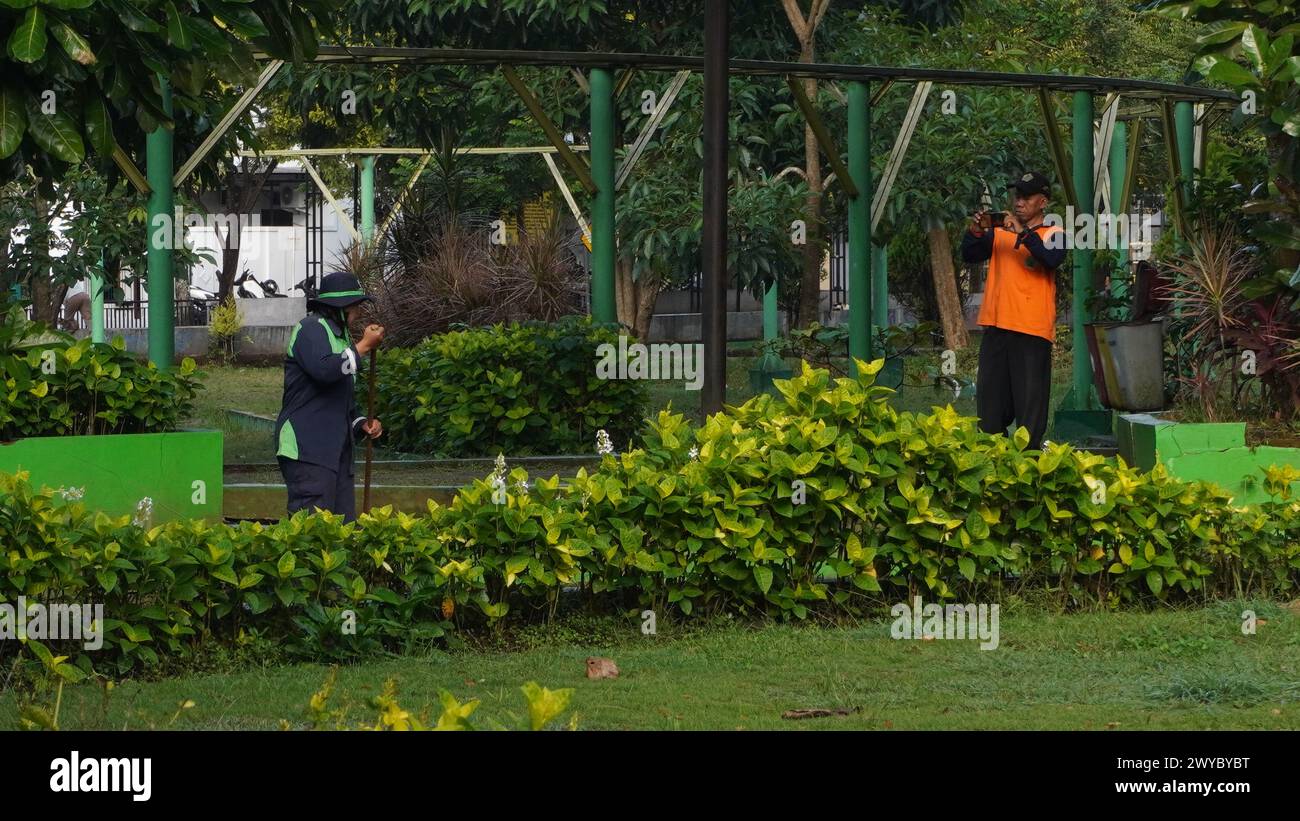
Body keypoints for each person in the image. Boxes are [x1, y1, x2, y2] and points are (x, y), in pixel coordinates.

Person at [960, 171, 1067, 450]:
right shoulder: (999, 233)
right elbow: (969, 254)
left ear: (1042, 202)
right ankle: (993, 468)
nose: (1018, 202)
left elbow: (1051, 258)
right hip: (996, 329)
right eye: (1016, 196)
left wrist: (1023, 234)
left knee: (1029, 414)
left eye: (1026, 197)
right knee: (989, 411)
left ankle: (1029, 471)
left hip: (1032, 333)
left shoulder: (1055, 233)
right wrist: (977, 231)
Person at [273, 271, 384, 522]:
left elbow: (340, 396)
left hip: (336, 452)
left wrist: (361, 424)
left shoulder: (340, 337)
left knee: (343, 528)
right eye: (355, 306)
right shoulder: (310, 329)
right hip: (307, 450)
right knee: (313, 532)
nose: (358, 312)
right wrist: (363, 346)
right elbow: (325, 371)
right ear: (342, 307)